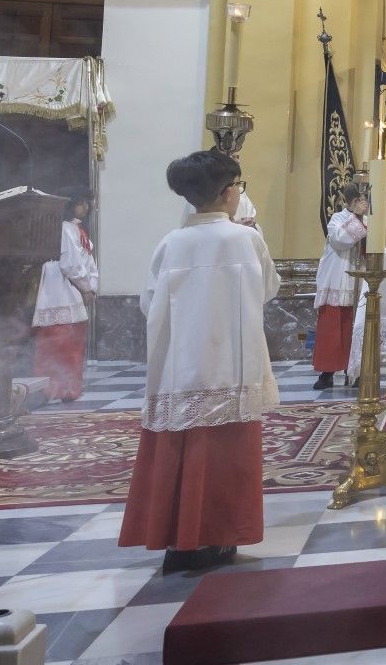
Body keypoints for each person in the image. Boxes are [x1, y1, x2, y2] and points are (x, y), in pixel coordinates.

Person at [118, 150, 279, 572]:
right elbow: (268, 290)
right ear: (229, 193)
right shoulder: (246, 239)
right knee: (227, 453)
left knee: (180, 448)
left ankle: (180, 540)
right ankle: (219, 538)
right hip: (232, 365)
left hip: (181, 366)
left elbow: (148, 301)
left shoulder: (171, 242)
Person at [31, 192, 99, 402]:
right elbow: (70, 264)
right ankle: (55, 389)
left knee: (69, 340)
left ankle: (66, 388)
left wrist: (91, 286)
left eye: (87, 203)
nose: (85, 207)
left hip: (72, 286)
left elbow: (87, 262)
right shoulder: (65, 229)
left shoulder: (76, 229)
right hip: (61, 287)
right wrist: (86, 287)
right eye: (80, 203)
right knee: (59, 339)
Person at [312, 183, 368, 390]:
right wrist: (356, 218)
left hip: (359, 278)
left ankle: (353, 371)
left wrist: (364, 221)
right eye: (358, 201)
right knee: (333, 328)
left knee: (356, 327)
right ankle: (327, 372)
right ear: (350, 201)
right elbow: (340, 240)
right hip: (337, 277)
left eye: (364, 201)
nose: (362, 204)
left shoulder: (370, 222)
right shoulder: (338, 219)